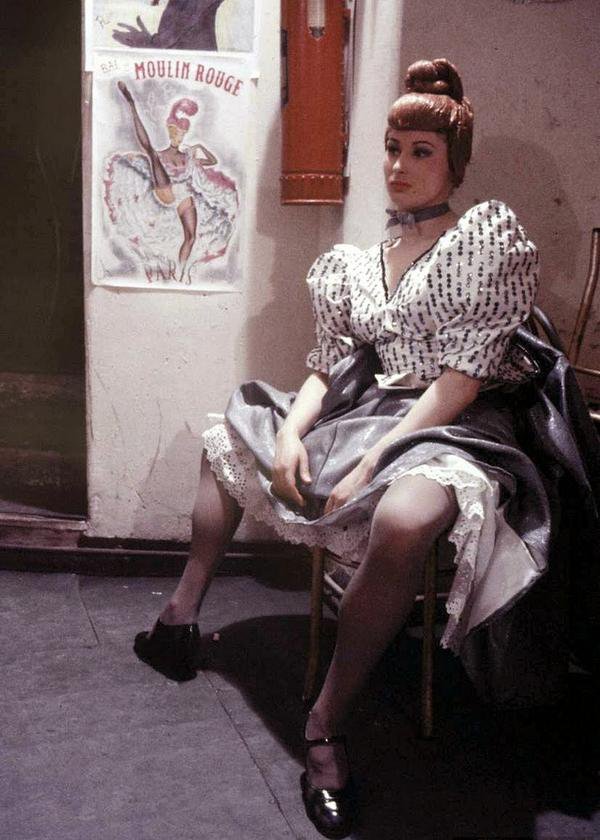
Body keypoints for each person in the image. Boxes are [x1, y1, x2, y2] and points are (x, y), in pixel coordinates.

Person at [133, 58, 599, 838]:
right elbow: (329, 366)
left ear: (455, 162)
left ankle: (325, 724)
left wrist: (374, 458)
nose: (400, 166)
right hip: (368, 407)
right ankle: (180, 618)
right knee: (235, 431)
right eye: (392, 148)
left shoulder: (486, 238)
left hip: (454, 421)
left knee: (408, 516)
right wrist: (287, 433)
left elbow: (456, 385)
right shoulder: (351, 265)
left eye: (421, 151)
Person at [107, 84, 238, 282]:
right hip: (164, 190)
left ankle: (182, 271)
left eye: (183, 133)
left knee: (191, 237)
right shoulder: (160, 154)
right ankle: (131, 103)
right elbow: (147, 145)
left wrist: (199, 147)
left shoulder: (188, 155)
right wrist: (132, 104)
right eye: (176, 131)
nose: (180, 136)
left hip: (183, 196)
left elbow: (211, 162)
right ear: (169, 131)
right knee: (152, 155)